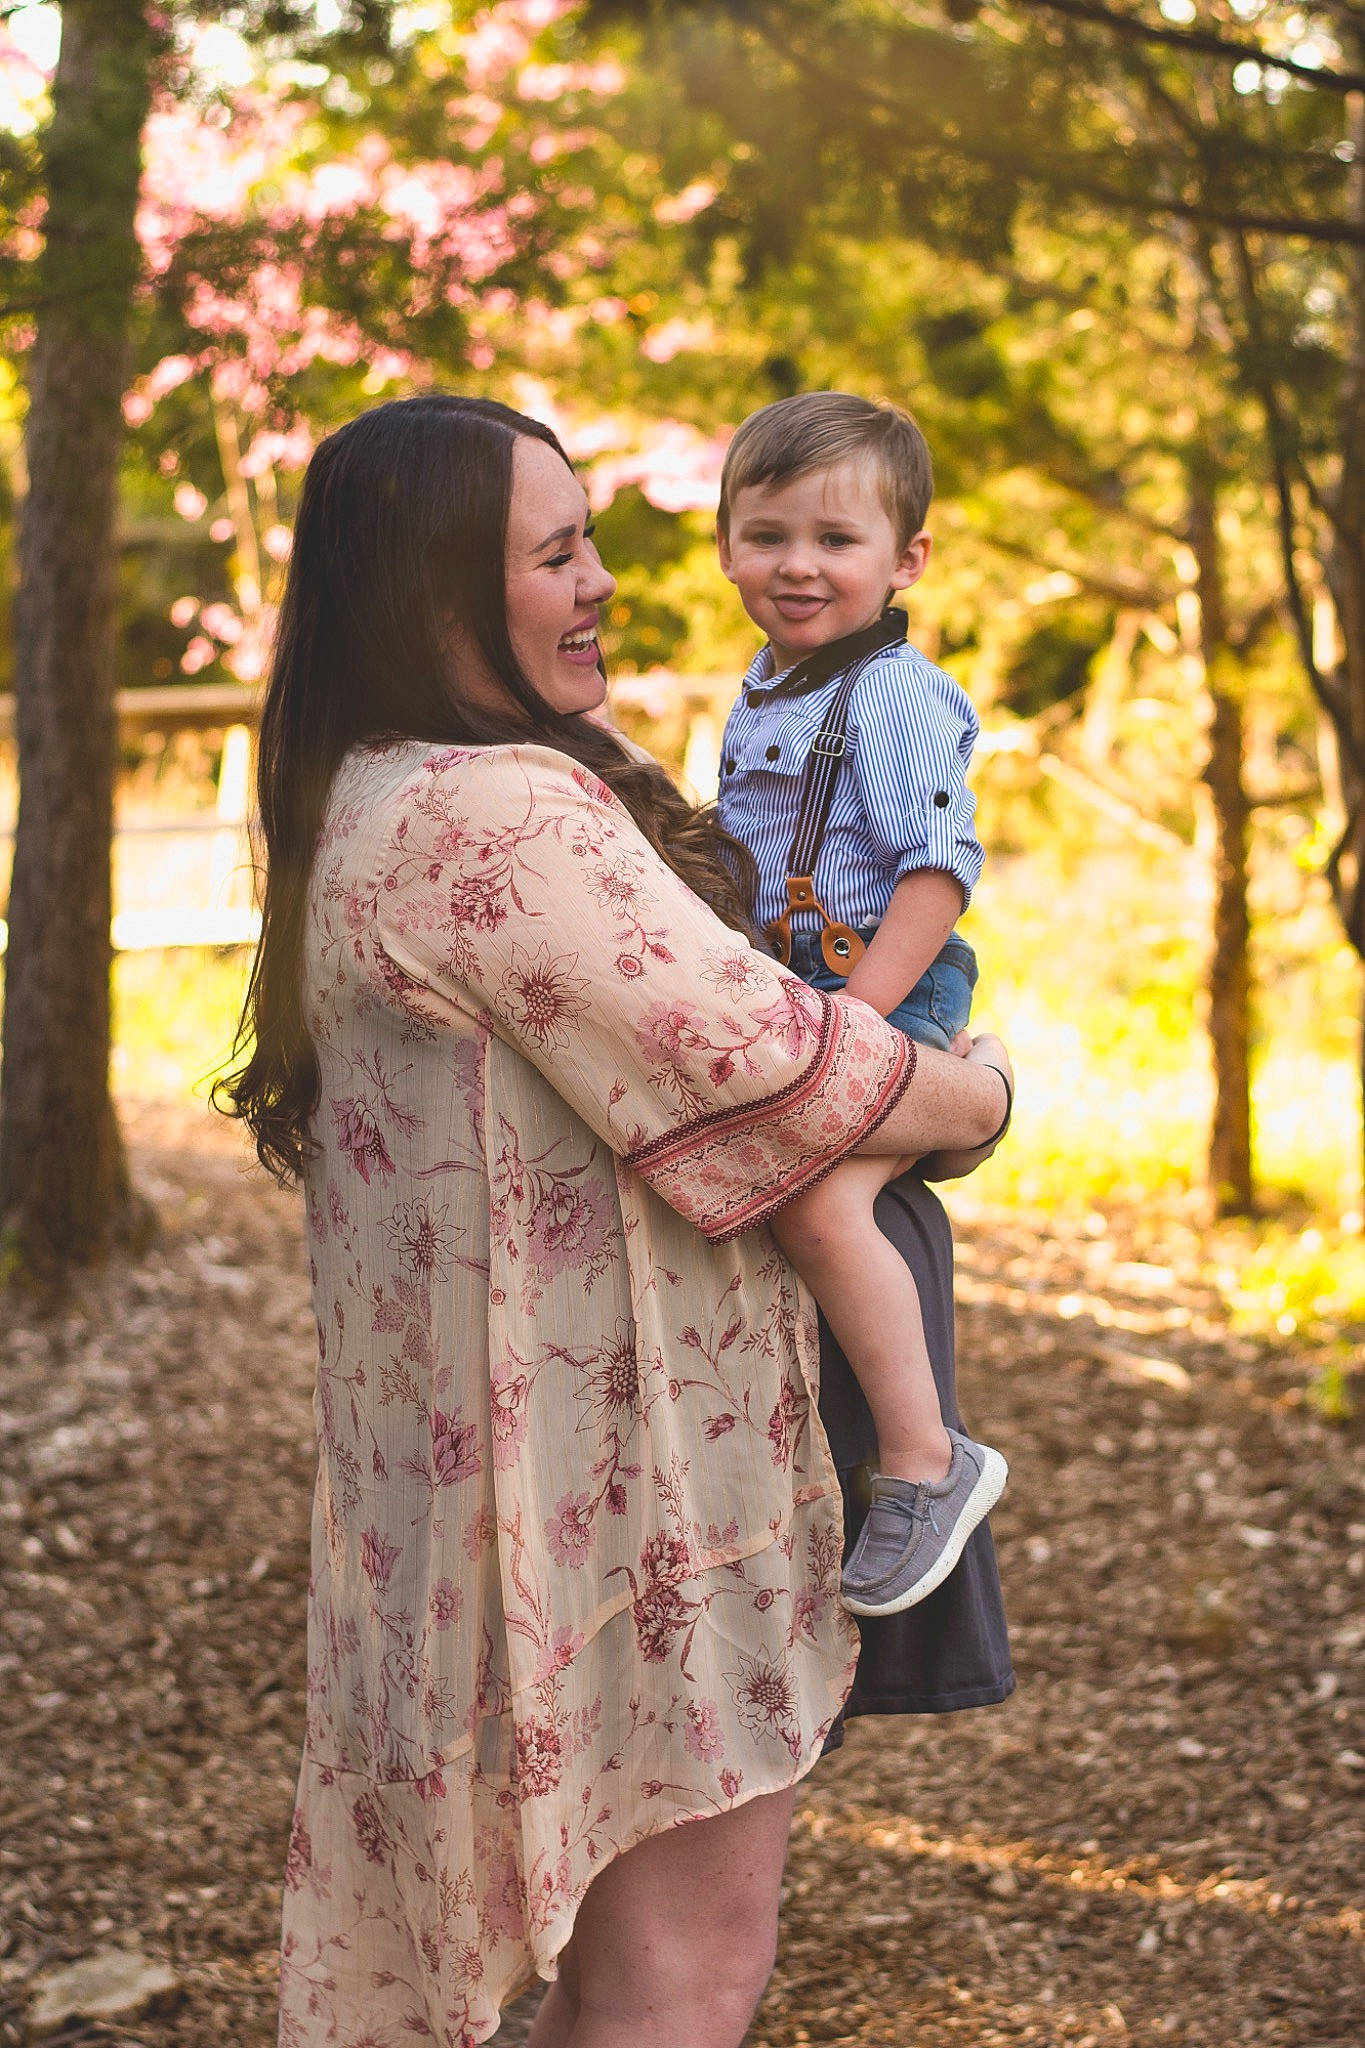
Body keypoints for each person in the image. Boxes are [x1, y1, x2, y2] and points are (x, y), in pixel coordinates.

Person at [218, 393, 1014, 2048]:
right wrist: (987, 1088)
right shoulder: (492, 816)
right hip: (623, 1513)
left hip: (483, 1510)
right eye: (558, 550)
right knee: (681, 1971)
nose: (602, 582)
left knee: (607, 1974)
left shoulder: (359, 794)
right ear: (441, 593)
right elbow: (790, 1071)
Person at [716, 390, 1007, 1618]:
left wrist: (869, 1021)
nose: (798, 565)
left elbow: (940, 870)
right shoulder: (764, 687)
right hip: (807, 992)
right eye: (767, 533)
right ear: (726, 537)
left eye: (836, 541)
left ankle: (929, 1461)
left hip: (881, 977)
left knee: (827, 1206)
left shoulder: (893, 694)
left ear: (906, 560)